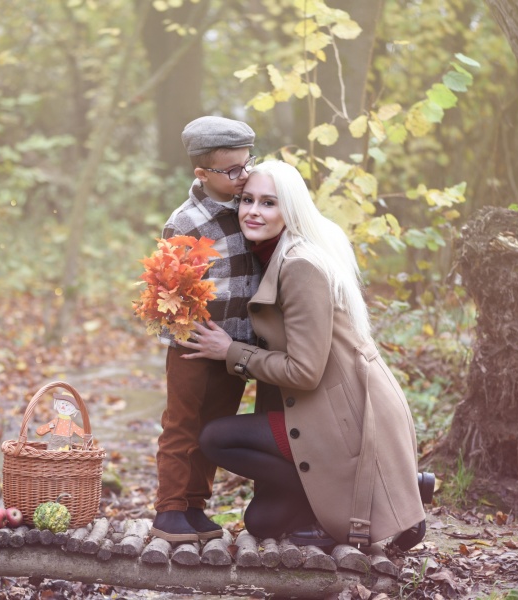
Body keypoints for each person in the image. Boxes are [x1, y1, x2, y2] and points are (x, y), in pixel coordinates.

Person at [181, 160, 428, 550]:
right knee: (262, 522)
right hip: (327, 410)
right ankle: (386, 488)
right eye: (247, 200)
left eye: (268, 203)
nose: (253, 211)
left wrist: (230, 351)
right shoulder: (277, 252)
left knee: (215, 438)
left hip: (339, 418)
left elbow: (305, 371)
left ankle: (373, 492)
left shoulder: (299, 265)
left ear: (290, 210)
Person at [150, 116, 263, 543]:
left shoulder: (249, 205)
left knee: (216, 421)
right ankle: (169, 509)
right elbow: (166, 290)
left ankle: (195, 505)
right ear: (202, 173)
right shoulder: (186, 222)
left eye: (247, 164)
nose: (243, 176)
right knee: (183, 421)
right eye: (232, 170)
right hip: (194, 342)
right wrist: (186, 334)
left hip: (234, 342)